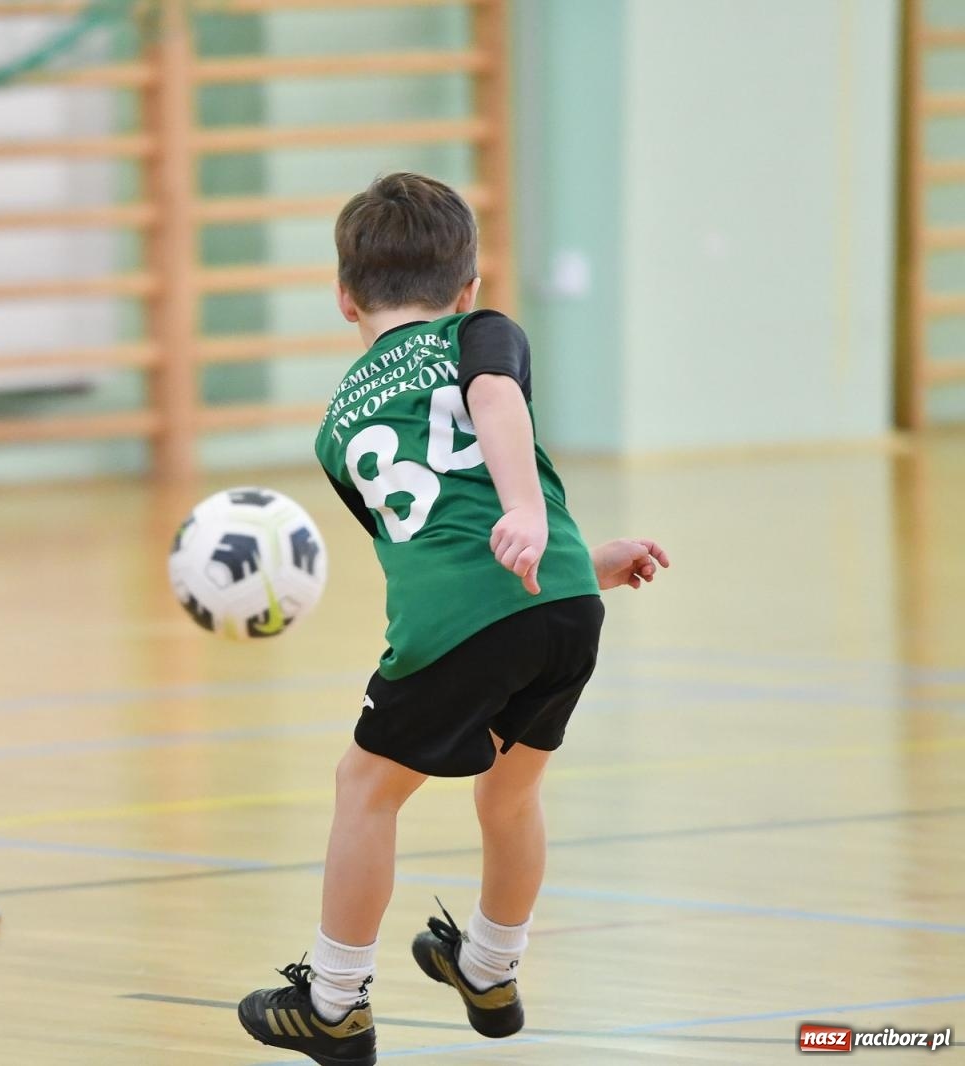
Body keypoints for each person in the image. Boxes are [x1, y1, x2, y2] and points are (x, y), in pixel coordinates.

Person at [236, 172, 669, 1064]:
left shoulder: (333, 430)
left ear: (343, 296)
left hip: (466, 615)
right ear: (468, 287)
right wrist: (558, 543)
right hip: (563, 605)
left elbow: (445, 518)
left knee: (366, 789)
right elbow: (490, 435)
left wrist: (524, 513)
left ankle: (333, 999)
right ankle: (491, 964)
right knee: (511, 795)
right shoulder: (484, 331)